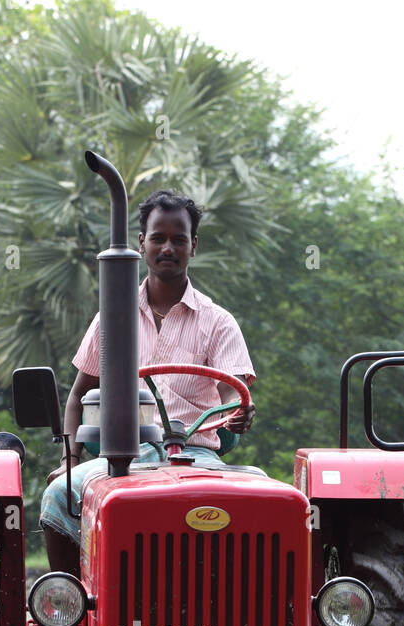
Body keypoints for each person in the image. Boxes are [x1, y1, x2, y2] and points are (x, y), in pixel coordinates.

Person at [38, 188, 260, 585]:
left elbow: (233, 395)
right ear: (141, 244)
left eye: (179, 239)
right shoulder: (113, 317)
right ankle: (69, 621)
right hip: (124, 456)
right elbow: (77, 395)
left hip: (198, 458)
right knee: (58, 495)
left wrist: (238, 411)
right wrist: (67, 459)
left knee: (266, 500)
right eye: (158, 237)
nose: (168, 247)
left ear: (194, 245)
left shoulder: (217, 321)